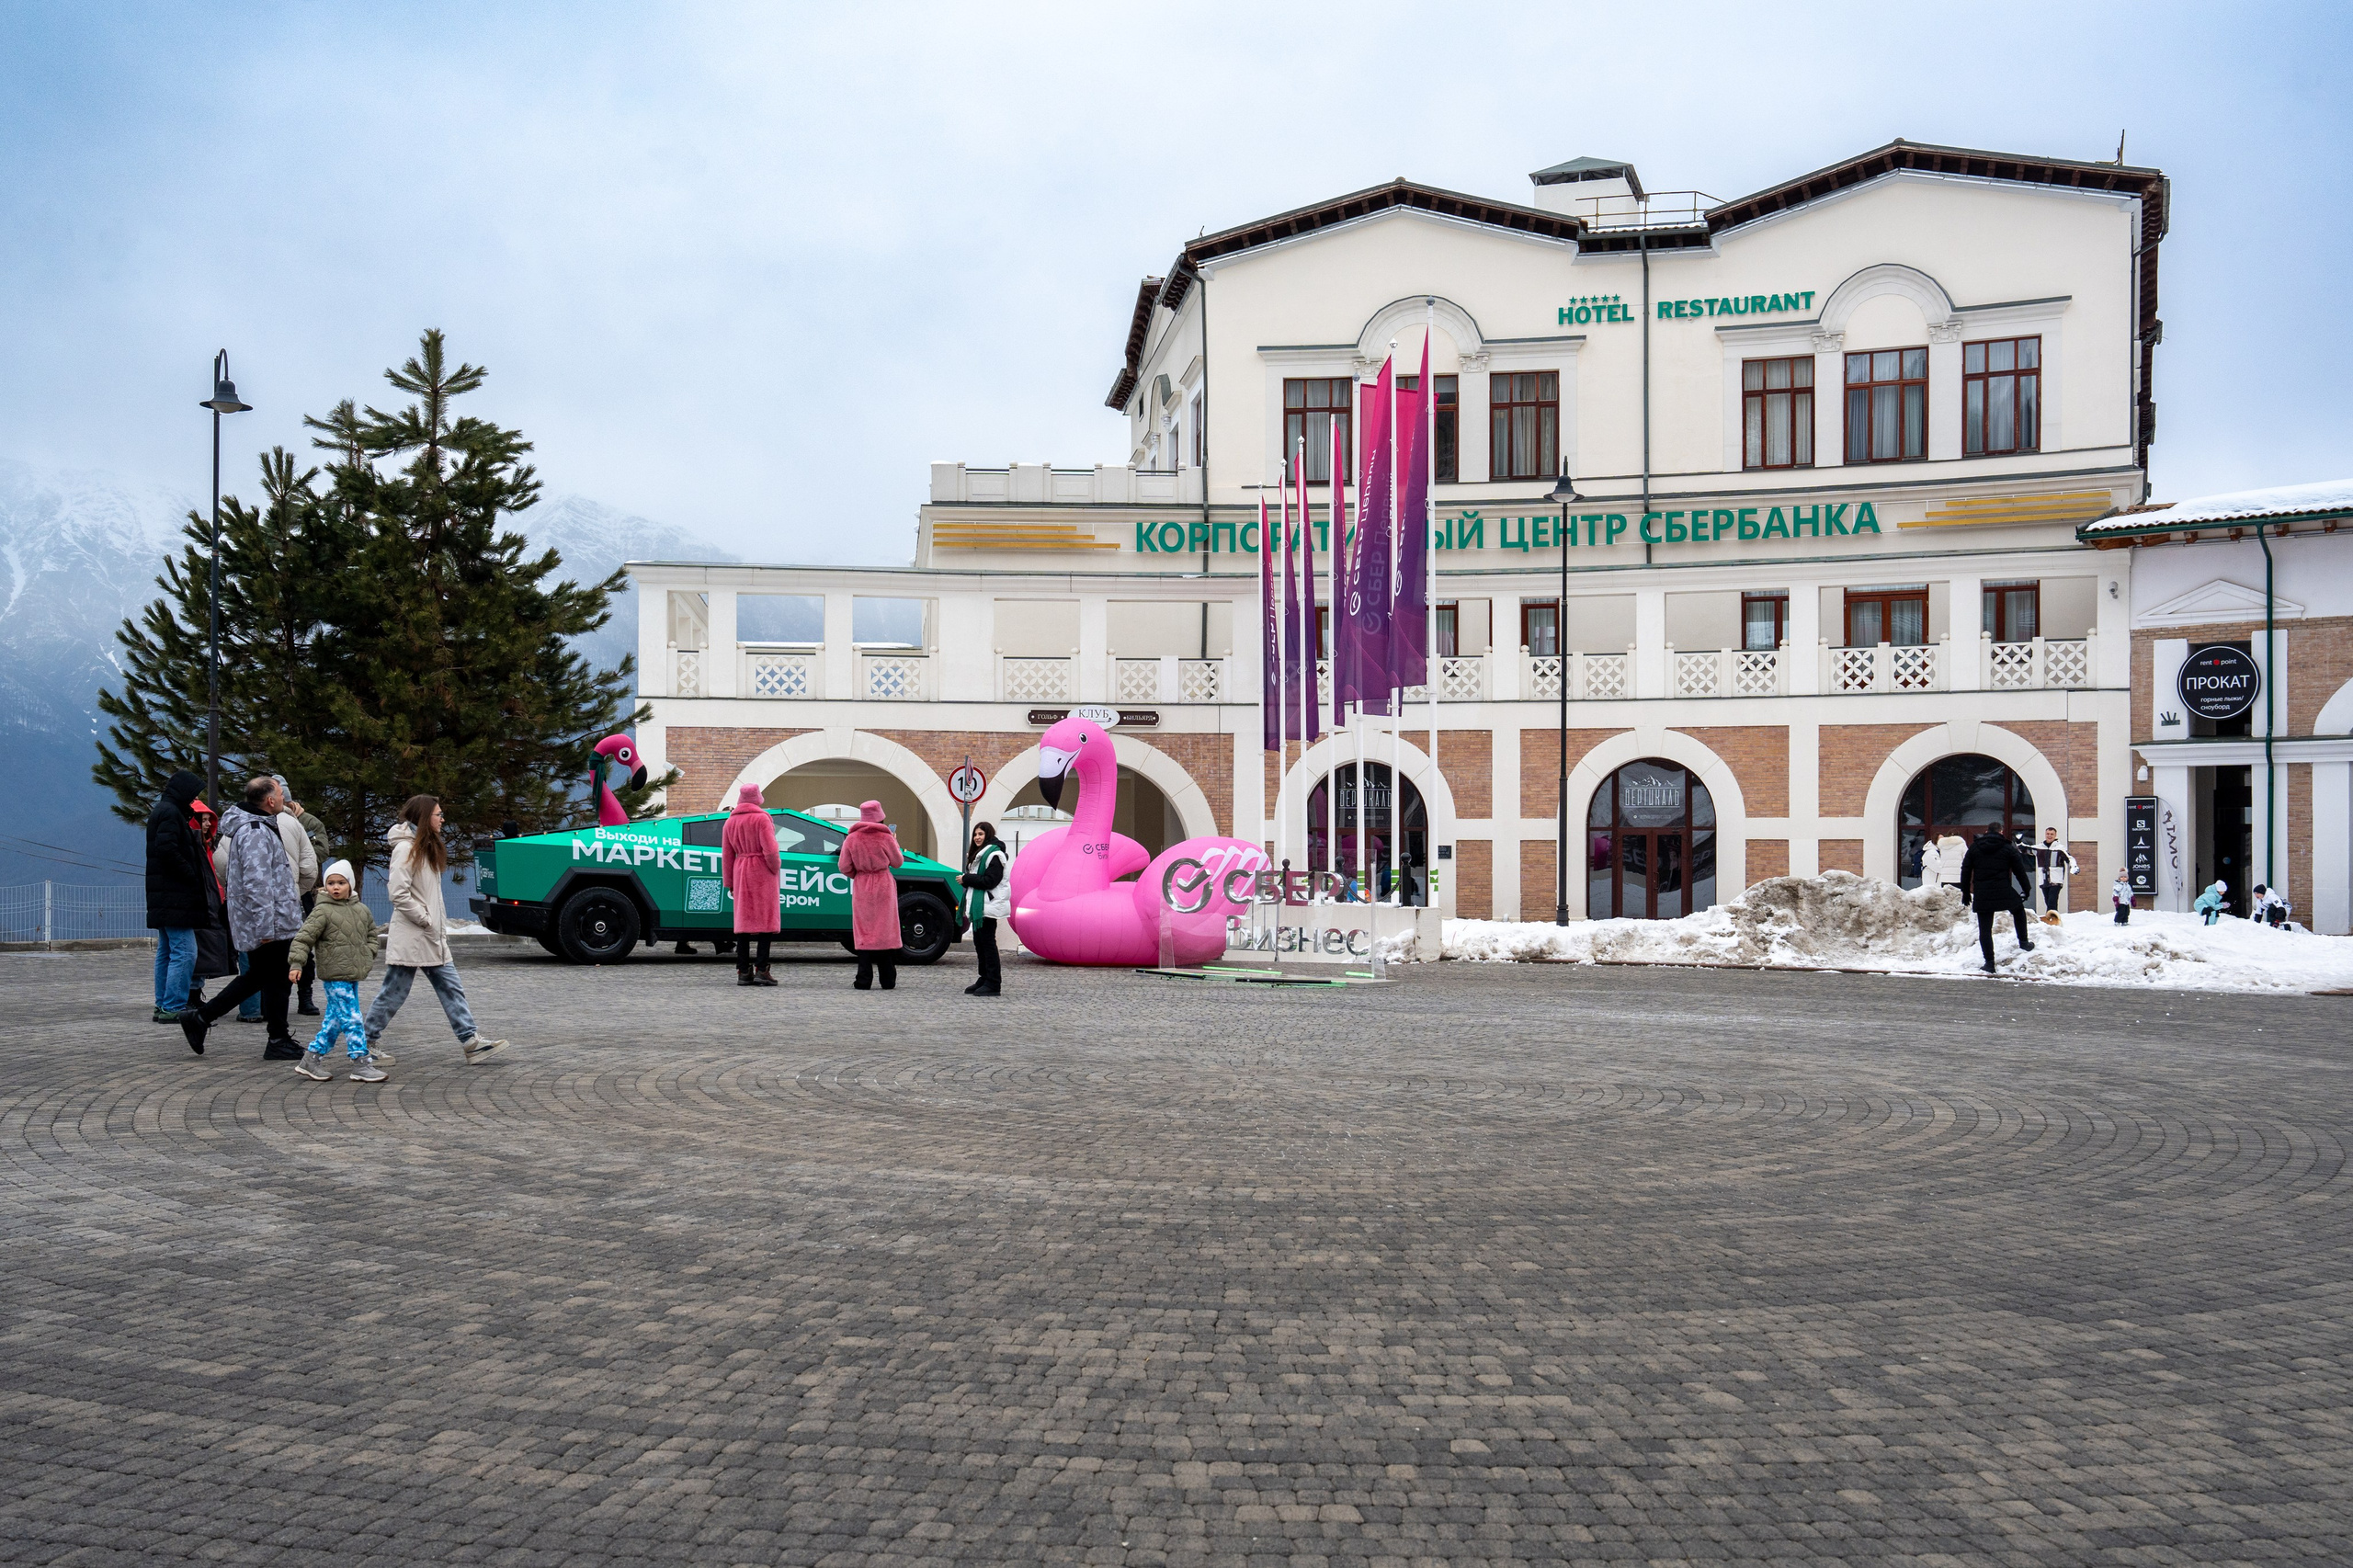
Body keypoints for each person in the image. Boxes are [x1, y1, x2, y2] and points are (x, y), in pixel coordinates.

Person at [365, 794, 507, 1062]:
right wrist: (424, 918)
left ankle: (470, 1041)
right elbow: (397, 892)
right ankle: (365, 1043)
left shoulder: (424, 847)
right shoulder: (406, 849)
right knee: (394, 992)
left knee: (451, 987)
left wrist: (431, 923)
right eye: (438, 814)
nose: (442, 819)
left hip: (429, 936)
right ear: (423, 817)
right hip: (414, 935)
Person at [178, 777, 307, 1058]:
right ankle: (275, 1038)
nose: (285, 798)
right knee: (271, 977)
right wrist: (265, 927)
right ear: (270, 800)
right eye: (281, 794)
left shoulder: (254, 827)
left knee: (263, 976)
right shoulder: (256, 832)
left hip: (272, 919)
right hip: (271, 922)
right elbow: (257, 883)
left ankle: (208, 1020)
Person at [287, 860, 386, 1082]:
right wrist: (296, 963)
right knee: (352, 1018)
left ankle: (310, 1059)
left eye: (341, 882)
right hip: (334, 976)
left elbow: (372, 935)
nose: (336, 887)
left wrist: (369, 953)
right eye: (330, 883)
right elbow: (303, 939)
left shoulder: (361, 910)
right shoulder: (322, 911)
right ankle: (361, 1062)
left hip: (353, 974)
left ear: (350, 884)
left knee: (334, 1021)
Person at [144, 771, 210, 1023]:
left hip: (163, 896)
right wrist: (191, 874)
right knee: (185, 952)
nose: (194, 799)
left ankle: (163, 1004)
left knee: (167, 951)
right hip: (175, 896)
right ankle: (173, 1006)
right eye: (192, 794)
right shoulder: (171, 814)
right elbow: (167, 849)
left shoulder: (162, 810)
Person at [838, 800, 903, 990]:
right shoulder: (886, 837)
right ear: (880, 816)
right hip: (883, 883)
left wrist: (858, 874)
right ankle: (888, 978)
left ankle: (863, 978)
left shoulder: (851, 838)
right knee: (884, 929)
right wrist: (895, 842)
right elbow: (898, 862)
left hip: (862, 885)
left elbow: (843, 867)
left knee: (865, 930)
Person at [721, 783, 780, 986]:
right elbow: (771, 851)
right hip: (761, 870)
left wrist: (729, 881)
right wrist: (775, 868)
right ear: (757, 798)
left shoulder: (730, 822)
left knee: (743, 923)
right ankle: (762, 969)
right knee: (766, 922)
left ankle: (743, 971)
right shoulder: (762, 818)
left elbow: (727, 855)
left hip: (741, 869)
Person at [280, 781, 331, 1016]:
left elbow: (321, 852)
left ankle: (305, 996)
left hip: (305, 893)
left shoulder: (309, 823)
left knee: (305, 944)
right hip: (282, 891)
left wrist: (299, 852)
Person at [1958, 825, 2037, 975]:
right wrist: (2026, 889)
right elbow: (2019, 870)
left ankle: (1989, 963)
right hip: (2003, 890)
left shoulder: (1975, 847)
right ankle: (2024, 942)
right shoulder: (2007, 848)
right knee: (2018, 910)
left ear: (1987, 832)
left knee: (1985, 929)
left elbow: (1966, 869)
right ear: (2001, 832)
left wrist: (1966, 892)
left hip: (1982, 893)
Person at [188, 799, 237, 1007]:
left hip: (212, 905)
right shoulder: (197, 848)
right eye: (203, 820)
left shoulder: (206, 846)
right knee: (198, 953)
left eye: (209, 820)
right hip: (203, 907)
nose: (208, 824)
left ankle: (195, 993)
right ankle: (192, 994)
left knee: (203, 952)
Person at [959, 821, 1008, 997]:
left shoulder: (995, 855)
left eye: (981, 834)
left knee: (987, 943)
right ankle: (984, 977)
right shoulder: (981, 854)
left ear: (988, 835)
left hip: (989, 905)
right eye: (975, 834)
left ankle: (993, 983)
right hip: (980, 907)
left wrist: (967, 879)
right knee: (979, 943)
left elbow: (990, 881)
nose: (977, 837)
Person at [2032, 827, 2078, 918]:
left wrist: (2074, 867)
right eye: (2048, 834)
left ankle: (2051, 921)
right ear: (2045, 834)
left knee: (2052, 901)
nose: (2049, 836)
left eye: (2051, 834)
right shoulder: (2039, 848)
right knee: (2048, 901)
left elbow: (2070, 858)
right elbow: (2025, 849)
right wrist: (2018, 841)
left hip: (2056, 880)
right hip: (2044, 880)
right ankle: (2054, 920)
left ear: (2055, 835)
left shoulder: (2060, 849)